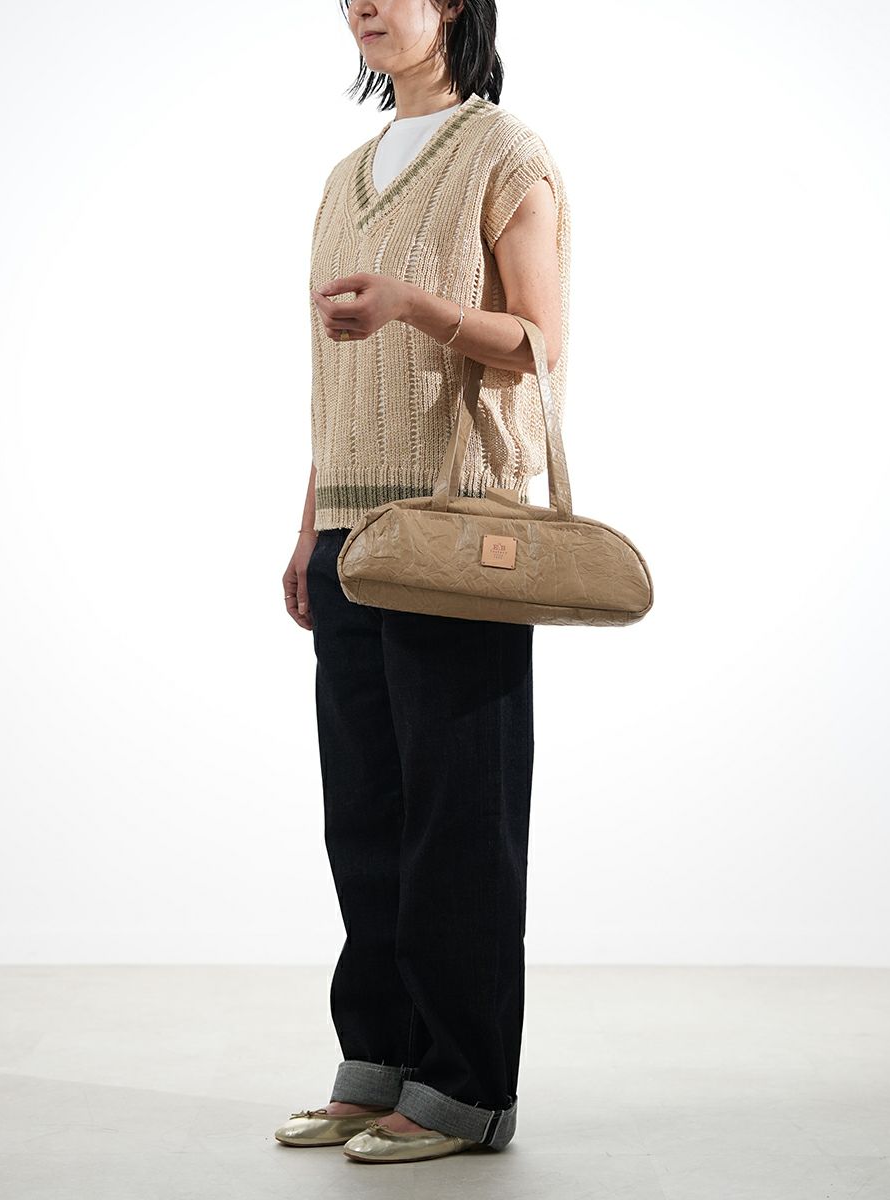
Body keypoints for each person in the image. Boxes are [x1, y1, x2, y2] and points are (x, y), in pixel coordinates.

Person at [277, 0, 571, 1165]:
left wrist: (415, 307)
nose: (364, 3)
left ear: (450, 1)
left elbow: (541, 339)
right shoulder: (341, 178)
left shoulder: (504, 152)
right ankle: (379, 1064)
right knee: (367, 818)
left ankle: (463, 1089)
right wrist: (309, 527)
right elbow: (333, 381)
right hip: (352, 532)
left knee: (458, 822)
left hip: (457, 536)